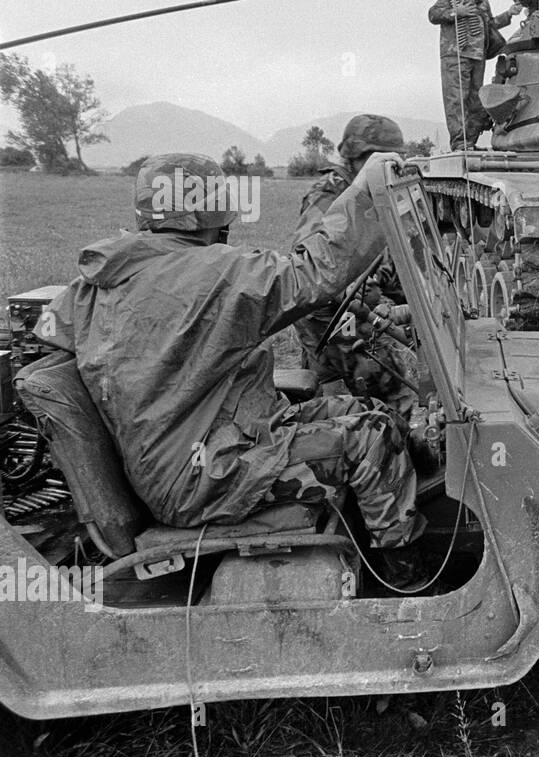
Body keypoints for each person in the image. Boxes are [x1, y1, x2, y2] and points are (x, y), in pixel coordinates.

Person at [43, 152, 428, 569]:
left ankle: (380, 517)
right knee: (372, 436)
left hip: (193, 452)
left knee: (362, 409)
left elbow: (51, 336)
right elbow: (316, 274)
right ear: (214, 212)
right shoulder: (216, 271)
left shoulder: (97, 279)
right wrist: (363, 191)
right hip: (206, 477)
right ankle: (405, 572)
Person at [290, 113, 416, 416]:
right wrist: (373, 306)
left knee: (327, 395)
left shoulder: (373, 190)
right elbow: (311, 262)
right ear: (362, 158)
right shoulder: (330, 193)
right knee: (397, 394)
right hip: (331, 312)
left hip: (344, 305)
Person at [428, 0, 522, 151]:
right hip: (455, 55)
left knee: (476, 102)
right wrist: (456, 12)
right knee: (456, 100)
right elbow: (433, 15)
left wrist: (509, 14)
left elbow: (490, 25)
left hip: (477, 56)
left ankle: (469, 142)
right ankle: (459, 143)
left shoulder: (482, 1)